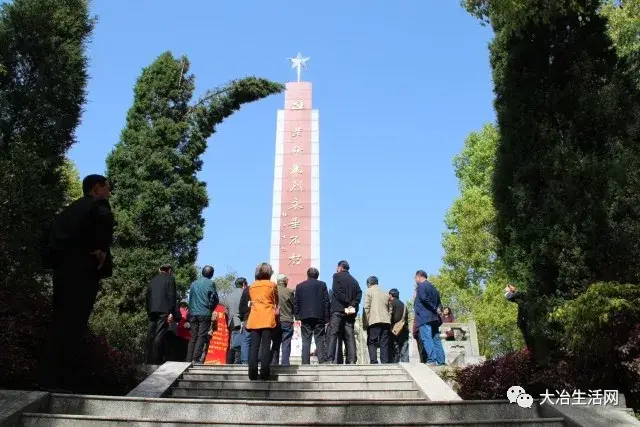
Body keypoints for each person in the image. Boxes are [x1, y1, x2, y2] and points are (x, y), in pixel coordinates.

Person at [40, 174, 114, 390]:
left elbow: (49, 236)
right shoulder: (99, 206)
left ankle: (48, 376)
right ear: (96, 187)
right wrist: (100, 252)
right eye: (106, 187)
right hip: (83, 270)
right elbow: (104, 227)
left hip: (62, 271)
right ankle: (64, 378)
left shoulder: (69, 210)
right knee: (75, 324)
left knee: (60, 321)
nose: (108, 191)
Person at [246, 263, 279, 381]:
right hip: (267, 317)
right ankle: (265, 373)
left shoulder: (252, 286)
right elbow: (276, 301)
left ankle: (252, 373)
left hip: (254, 317)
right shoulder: (272, 285)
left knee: (254, 346)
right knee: (265, 346)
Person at [327, 260, 362, 364]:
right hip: (350, 309)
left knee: (333, 333)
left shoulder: (336, 276)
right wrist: (353, 303)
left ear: (340, 267)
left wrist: (347, 301)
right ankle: (352, 359)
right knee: (350, 334)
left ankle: (330, 358)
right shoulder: (354, 280)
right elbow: (359, 293)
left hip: (338, 309)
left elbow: (337, 291)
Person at [294, 267, 330, 364]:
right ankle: (322, 360)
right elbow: (326, 301)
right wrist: (327, 317)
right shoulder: (322, 285)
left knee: (306, 340)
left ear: (307, 275)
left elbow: (296, 302)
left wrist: (297, 316)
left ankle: (305, 362)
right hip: (319, 316)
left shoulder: (300, 286)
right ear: (317, 276)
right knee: (320, 339)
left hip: (305, 316)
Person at [146, 264, 178, 364]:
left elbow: (148, 295)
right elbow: (172, 296)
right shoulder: (170, 279)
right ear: (169, 270)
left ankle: (148, 358)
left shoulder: (153, 279)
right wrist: (172, 312)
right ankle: (156, 359)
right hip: (164, 309)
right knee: (159, 334)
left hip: (152, 309)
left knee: (150, 334)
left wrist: (148, 309)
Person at [186, 265, 219, 363]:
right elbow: (216, 299)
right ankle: (195, 358)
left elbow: (190, 299)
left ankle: (188, 359)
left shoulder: (193, 283)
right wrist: (211, 308)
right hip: (204, 312)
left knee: (193, 336)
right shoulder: (211, 283)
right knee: (201, 336)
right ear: (211, 274)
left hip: (193, 313)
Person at [414, 270, 446, 365]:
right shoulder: (434, 288)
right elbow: (439, 303)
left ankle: (432, 359)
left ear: (419, 277)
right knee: (436, 339)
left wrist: (434, 308)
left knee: (426, 338)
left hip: (424, 317)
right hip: (434, 318)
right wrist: (438, 309)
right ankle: (441, 361)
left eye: (415, 278)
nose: (415, 280)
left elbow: (423, 298)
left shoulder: (421, 286)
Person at [363, 276, 392, 364]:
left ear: (369, 283)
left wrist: (365, 322)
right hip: (386, 321)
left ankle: (373, 361)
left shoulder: (369, 291)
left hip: (374, 320)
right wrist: (388, 318)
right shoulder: (386, 292)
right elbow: (390, 308)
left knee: (372, 341)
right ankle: (384, 361)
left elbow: (366, 308)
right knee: (384, 342)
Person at [271, 274, 295, 366]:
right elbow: (294, 306)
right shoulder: (289, 292)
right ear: (285, 281)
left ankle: (273, 362)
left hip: (275, 320)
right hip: (287, 320)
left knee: (275, 342)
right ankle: (285, 363)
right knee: (286, 342)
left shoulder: (273, 291)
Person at [222, 277, 248, 364]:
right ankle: (238, 362)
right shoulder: (245, 293)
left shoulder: (229, 295)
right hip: (241, 321)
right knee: (241, 342)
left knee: (232, 343)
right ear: (244, 284)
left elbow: (225, 310)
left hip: (231, 321)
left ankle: (229, 361)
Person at [504, 284, 533, 350]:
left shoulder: (520, 293)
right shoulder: (516, 296)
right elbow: (508, 297)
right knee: (528, 338)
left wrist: (509, 290)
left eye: (508, 287)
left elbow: (510, 296)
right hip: (523, 320)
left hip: (528, 319)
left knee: (530, 336)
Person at [389, 288, 410, 362]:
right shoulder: (404, 305)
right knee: (404, 349)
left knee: (394, 350)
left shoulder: (391, 304)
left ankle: (394, 365)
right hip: (404, 329)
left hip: (394, 330)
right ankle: (406, 364)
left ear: (391, 295)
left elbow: (390, 317)